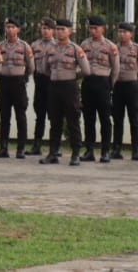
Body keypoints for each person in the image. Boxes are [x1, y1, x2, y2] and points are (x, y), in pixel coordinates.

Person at [39, 18, 89, 166]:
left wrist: (72, 77)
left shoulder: (75, 49)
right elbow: (44, 69)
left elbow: (86, 70)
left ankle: (75, 153)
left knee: (73, 120)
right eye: (58, 29)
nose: (60, 32)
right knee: (55, 121)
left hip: (69, 87)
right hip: (54, 87)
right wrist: (55, 76)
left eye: (63, 29)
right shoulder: (50, 49)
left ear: (70, 31)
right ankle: (53, 153)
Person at [79, 16, 119, 163]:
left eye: (96, 28)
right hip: (88, 83)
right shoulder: (84, 44)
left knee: (105, 119)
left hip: (103, 83)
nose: (93, 30)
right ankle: (89, 150)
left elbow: (115, 69)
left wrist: (110, 85)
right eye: (91, 28)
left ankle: (105, 151)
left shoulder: (110, 46)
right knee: (88, 118)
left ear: (103, 28)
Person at [0, 17, 33, 159]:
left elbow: (31, 66)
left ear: (18, 29)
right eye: (8, 26)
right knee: (4, 117)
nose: (10, 29)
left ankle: (21, 148)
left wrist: (24, 77)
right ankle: (3, 147)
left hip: (18, 83)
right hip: (4, 83)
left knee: (20, 116)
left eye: (13, 27)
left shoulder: (24, 46)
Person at [112, 21, 138, 161]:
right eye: (120, 32)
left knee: (134, 119)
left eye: (125, 32)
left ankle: (135, 151)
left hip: (132, 86)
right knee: (117, 119)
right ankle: (116, 149)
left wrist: (135, 79)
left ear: (131, 34)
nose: (122, 34)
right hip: (117, 86)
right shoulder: (113, 48)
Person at [28, 18, 56, 156]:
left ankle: (55, 146)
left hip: (52, 81)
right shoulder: (34, 45)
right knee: (39, 114)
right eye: (43, 28)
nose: (45, 31)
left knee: (54, 115)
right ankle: (37, 145)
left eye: (48, 29)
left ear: (53, 30)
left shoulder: (57, 45)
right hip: (39, 81)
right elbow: (30, 64)